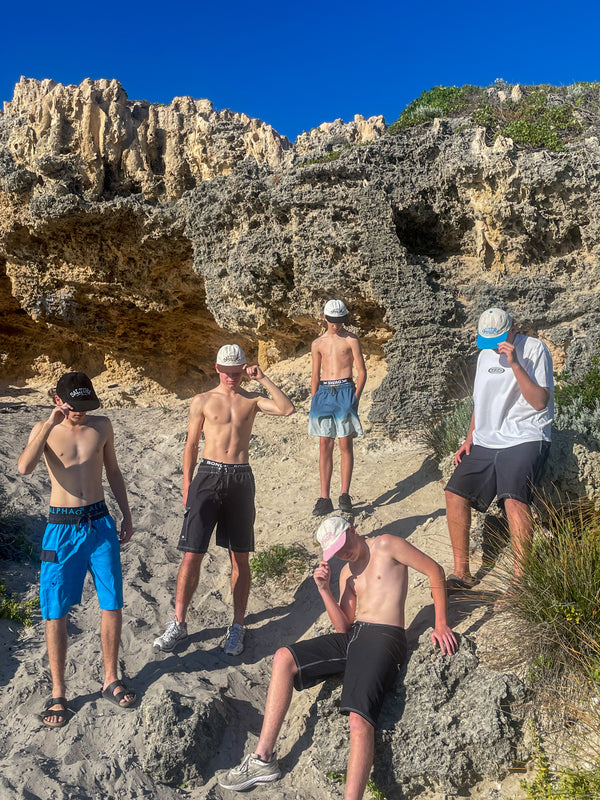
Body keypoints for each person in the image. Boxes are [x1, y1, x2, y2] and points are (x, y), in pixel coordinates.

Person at [219, 516, 457, 799]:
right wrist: (323, 590)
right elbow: (344, 625)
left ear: (353, 531)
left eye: (344, 545)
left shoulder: (387, 545)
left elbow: (434, 570)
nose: (343, 553)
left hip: (385, 636)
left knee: (358, 720)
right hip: (354, 636)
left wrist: (441, 623)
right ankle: (263, 758)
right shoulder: (346, 573)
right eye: (336, 552)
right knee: (283, 657)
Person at [153, 344, 295, 656]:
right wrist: (187, 483)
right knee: (192, 553)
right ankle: (178, 623)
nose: (232, 377)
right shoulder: (202, 400)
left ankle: (237, 625)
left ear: (244, 369)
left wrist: (263, 378)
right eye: (227, 372)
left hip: (240, 477)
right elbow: (191, 444)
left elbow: (287, 409)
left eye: (237, 372)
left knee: (239, 556)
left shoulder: (252, 399)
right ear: (217, 368)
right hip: (208, 475)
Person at [17, 372, 135, 728]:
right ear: (59, 400)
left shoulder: (102, 426)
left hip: (100, 522)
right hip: (61, 527)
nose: (81, 412)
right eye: (74, 406)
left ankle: (110, 679)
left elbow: (113, 471)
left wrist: (126, 514)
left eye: (86, 405)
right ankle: (58, 692)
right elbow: (23, 468)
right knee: (55, 610)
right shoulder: (45, 429)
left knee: (112, 602)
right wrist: (49, 424)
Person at [444, 307, 554, 587]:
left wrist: (515, 363)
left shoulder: (535, 349)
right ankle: (461, 572)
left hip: (526, 435)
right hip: (486, 438)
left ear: (513, 329)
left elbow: (540, 402)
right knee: (454, 493)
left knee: (513, 498)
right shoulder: (484, 355)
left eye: (498, 340)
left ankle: (520, 581)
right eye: (488, 341)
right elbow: (480, 401)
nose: (493, 347)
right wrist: (470, 436)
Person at [309, 300, 367, 517]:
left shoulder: (351, 339)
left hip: (345, 389)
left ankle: (344, 494)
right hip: (324, 392)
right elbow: (315, 374)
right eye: (333, 321)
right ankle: (324, 497)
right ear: (325, 318)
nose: (336, 325)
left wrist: (355, 398)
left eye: (340, 321)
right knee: (324, 444)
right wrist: (314, 399)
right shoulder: (317, 343)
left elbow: (361, 371)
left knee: (345, 444)